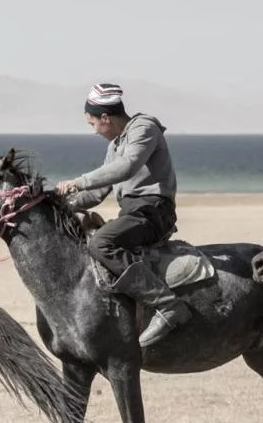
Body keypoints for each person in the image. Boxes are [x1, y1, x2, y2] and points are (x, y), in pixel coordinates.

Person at [56, 83, 189, 347]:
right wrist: (58, 203)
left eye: (93, 124)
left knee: (101, 243)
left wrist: (78, 181)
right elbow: (96, 194)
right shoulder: (115, 146)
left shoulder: (144, 128)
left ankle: (168, 304)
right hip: (133, 212)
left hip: (153, 211)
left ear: (106, 118)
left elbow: (127, 167)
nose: (94, 131)